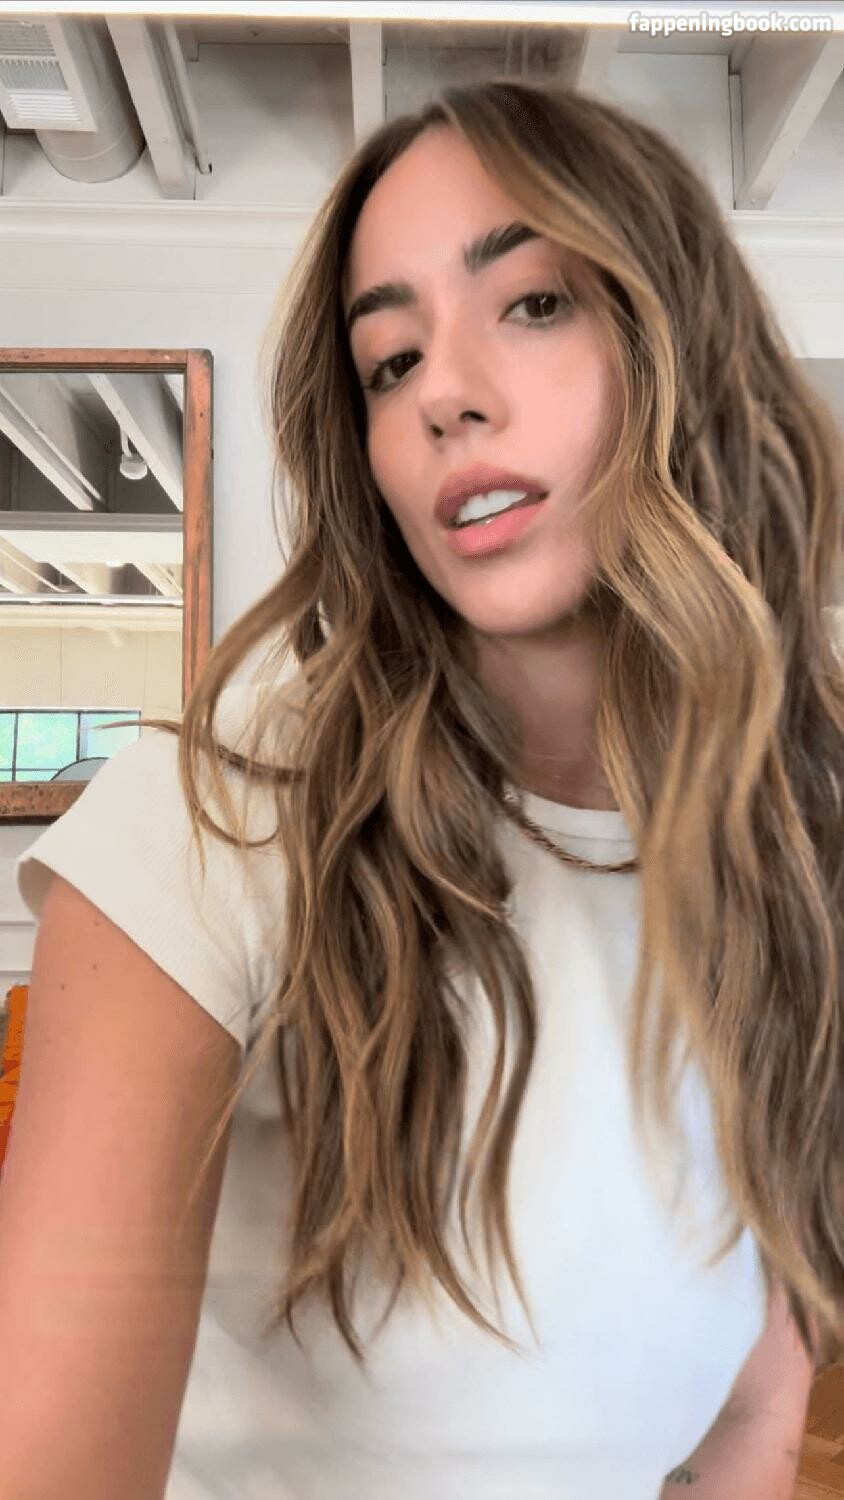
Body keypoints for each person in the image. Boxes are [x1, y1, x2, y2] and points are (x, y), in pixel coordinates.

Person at [1, 77, 842, 1500]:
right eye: (390, 362)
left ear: (684, 347)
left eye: (534, 302)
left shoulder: (800, 843)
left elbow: (751, 1419)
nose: (444, 392)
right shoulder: (209, 829)